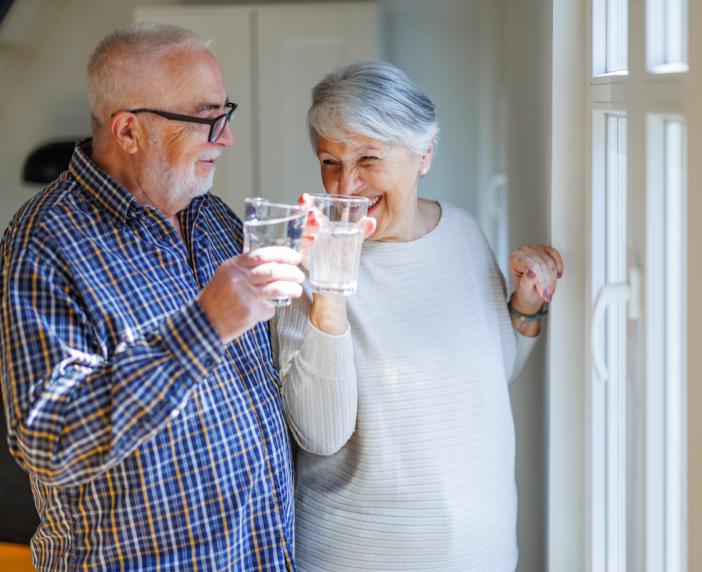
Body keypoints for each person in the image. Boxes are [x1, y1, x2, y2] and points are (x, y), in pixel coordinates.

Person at [0, 22, 305, 570]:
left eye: (224, 112)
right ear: (127, 131)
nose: (226, 136)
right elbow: (47, 442)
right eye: (205, 117)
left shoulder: (210, 215)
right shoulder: (44, 243)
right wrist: (205, 325)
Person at [273, 60, 564, 570]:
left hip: (483, 554)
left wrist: (526, 304)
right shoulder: (304, 262)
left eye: (368, 158)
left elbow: (490, 378)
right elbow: (321, 434)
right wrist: (330, 289)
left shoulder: (463, 233)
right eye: (330, 161)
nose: (345, 187)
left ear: (424, 153)